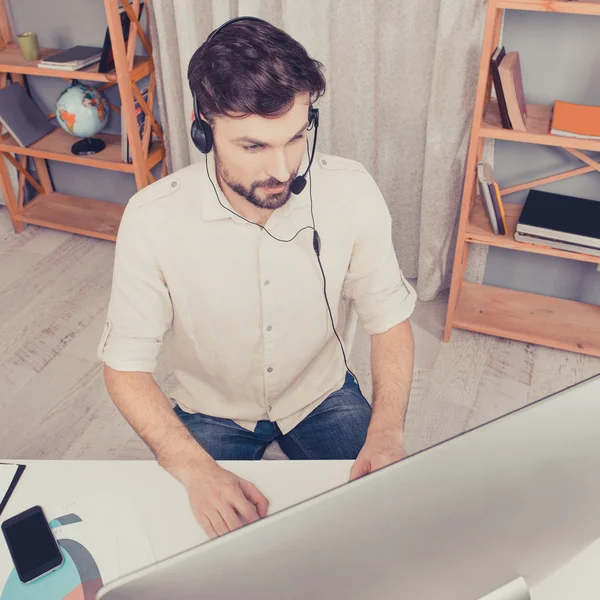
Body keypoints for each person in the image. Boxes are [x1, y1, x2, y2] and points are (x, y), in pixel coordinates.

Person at [98, 17, 417, 540]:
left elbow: (389, 319)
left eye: (295, 138)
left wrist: (386, 431)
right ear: (204, 126)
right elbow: (125, 368)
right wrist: (194, 469)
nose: (282, 168)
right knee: (196, 556)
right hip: (212, 413)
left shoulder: (351, 190)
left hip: (322, 396)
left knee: (388, 530)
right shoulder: (152, 218)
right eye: (253, 147)